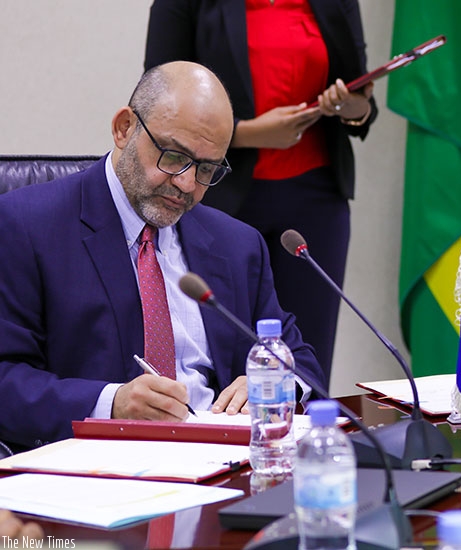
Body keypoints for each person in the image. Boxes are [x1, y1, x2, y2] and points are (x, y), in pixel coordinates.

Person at [0, 61, 326, 451]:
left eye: (207, 169)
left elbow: (298, 356)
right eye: (174, 156)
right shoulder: (25, 225)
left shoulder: (237, 244)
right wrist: (111, 404)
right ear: (124, 129)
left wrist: (281, 381)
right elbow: (6, 378)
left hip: (222, 465)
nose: (186, 184)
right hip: (100, 471)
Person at [144, 0, 378, 386]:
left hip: (315, 204)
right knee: (222, 354)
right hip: (219, 198)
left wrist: (353, 105)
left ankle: (304, 446)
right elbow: (158, 101)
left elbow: (361, 99)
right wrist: (249, 133)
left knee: (308, 364)